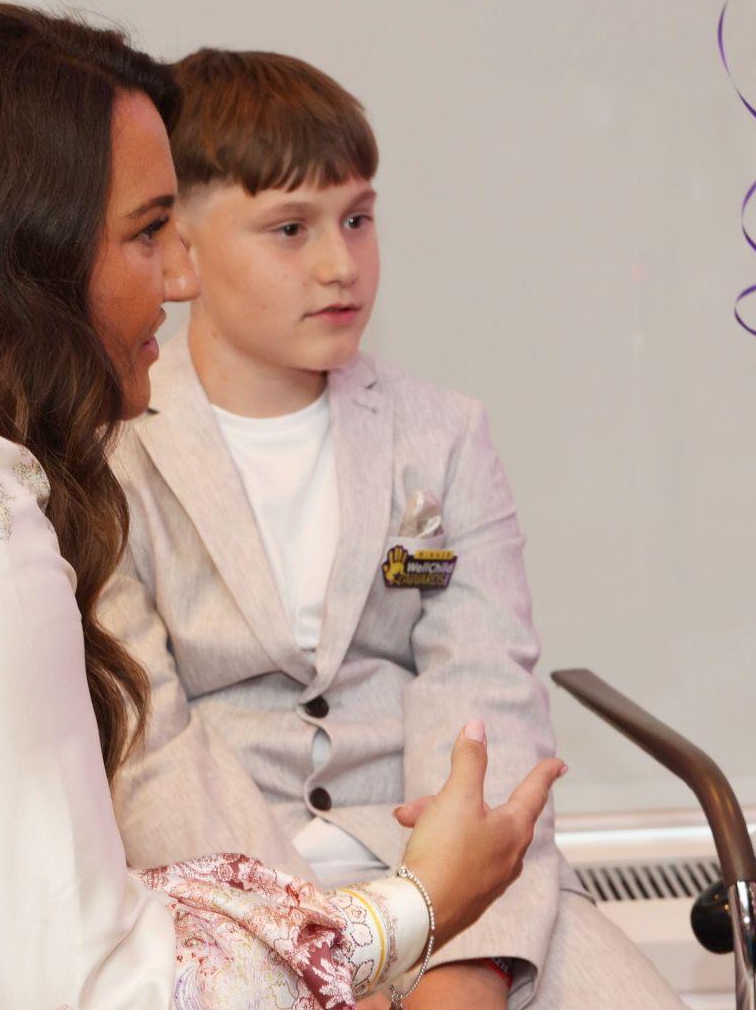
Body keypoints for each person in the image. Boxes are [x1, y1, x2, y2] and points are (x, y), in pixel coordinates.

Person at [0, 3, 561, 1008]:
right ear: (15, 251)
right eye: (147, 234)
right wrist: (412, 907)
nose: (180, 279)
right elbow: (82, 990)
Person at [103, 49, 679, 1010]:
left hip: (453, 877)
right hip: (226, 895)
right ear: (182, 253)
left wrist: (465, 962)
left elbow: (482, 690)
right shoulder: (110, 451)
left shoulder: (440, 436)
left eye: (359, 219)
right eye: (291, 229)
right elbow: (149, 748)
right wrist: (321, 961)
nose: (341, 264)